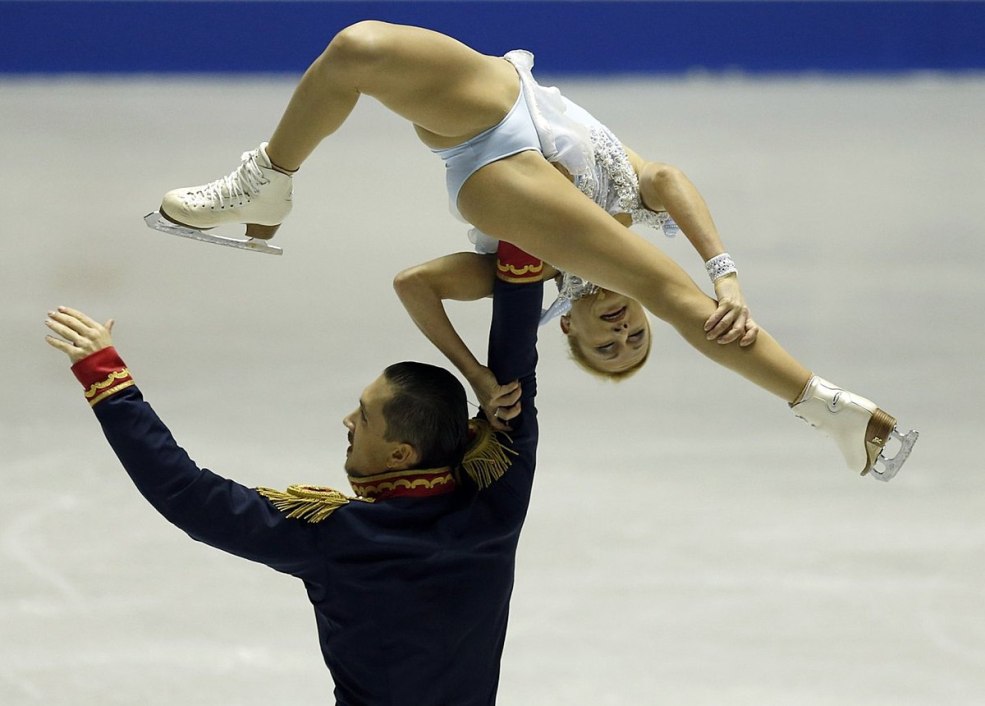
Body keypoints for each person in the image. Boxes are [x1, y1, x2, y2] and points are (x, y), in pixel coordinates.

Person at [150, 21, 916, 479]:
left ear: (568, 330)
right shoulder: (632, 210)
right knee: (356, 49)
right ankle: (268, 183)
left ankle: (829, 410)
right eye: (633, 336)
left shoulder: (535, 269)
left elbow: (414, 282)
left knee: (678, 299)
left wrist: (478, 375)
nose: (620, 329)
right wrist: (727, 274)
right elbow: (667, 177)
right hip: (502, 93)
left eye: (606, 345)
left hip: (489, 166)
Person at [44, 246, 546, 705]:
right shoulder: (497, 504)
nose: (348, 421)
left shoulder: (342, 537)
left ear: (400, 455)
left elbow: (186, 493)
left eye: (364, 416)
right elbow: (515, 373)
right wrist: (526, 235)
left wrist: (107, 380)